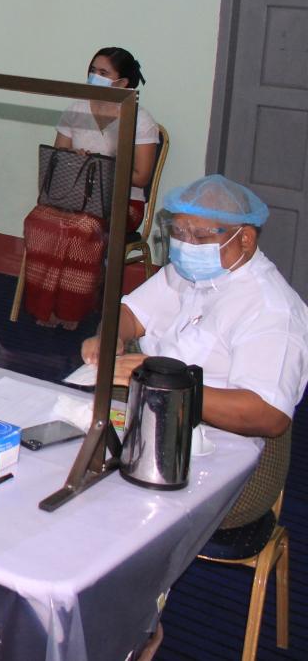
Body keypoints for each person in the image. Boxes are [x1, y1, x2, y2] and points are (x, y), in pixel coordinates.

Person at [82, 176, 308, 438]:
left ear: (245, 238)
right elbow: (131, 314)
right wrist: (110, 338)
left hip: (213, 430)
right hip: (152, 398)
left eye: (200, 236)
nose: (187, 245)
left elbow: (269, 416)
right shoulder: (189, 271)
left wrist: (168, 384)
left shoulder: (271, 309)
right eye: (178, 233)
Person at [21, 47, 159, 329]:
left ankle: (71, 310)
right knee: (39, 220)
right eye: (93, 70)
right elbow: (58, 159)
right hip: (73, 198)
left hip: (121, 203)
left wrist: (102, 165)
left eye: (103, 73)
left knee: (83, 228)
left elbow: (141, 177)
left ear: (122, 83)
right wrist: (74, 160)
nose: (95, 76)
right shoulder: (76, 109)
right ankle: (44, 306)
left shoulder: (139, 119)